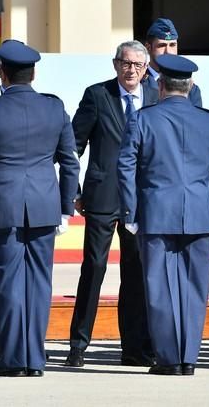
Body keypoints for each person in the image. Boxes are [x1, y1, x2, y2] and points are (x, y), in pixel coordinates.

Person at [0, 39, 79, 376]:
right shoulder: (54, 107)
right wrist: (65, 208)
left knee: (9, 284)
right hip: (44, 205)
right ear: (34, 73)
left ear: (1, 71)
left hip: (4, 205)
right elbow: (69, 162)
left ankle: (14, 360)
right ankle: (34, 359)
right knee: (39, 284)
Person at [117, 53, 209, 376]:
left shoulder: (143, 119)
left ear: (160, 84)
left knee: (160, 287)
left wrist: (130, 211)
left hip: (156, 213)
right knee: (195, 287)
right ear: (190, 85)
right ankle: (189, 356)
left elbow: (126, 166)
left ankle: (168, 357)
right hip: (198, 213)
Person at [66, 41, 158, 368]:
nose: (130, 69)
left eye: (137, 64)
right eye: (125, 63)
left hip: (142, 201)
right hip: (102, 197)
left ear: (146, 68)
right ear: (115, 64)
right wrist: (73, 190)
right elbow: (72, 146)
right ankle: (78, 345)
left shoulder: (156, 96)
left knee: (135, 272)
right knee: (94, 268)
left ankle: (134, 348)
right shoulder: (97, 95)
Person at [142, 18, 202, 107]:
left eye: (172, 45)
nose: (168, 51)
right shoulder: (138, 82)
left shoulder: (190, 88)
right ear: (148, 47)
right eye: (162, 45)